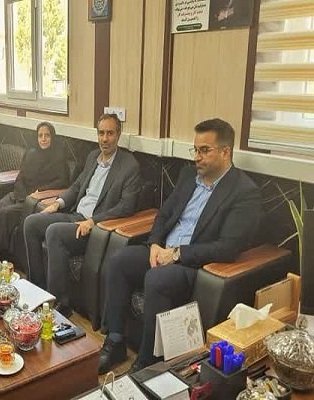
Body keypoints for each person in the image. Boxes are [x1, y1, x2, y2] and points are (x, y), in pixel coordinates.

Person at [98, 118, 261, 375]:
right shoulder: (188, 176)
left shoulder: (243, 192)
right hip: (163, 250)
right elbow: (164, 214)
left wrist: (175, 254)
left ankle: (146, 364)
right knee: (119, 260)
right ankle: (116, 340)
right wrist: (154, 243)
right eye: (195, 150)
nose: (197, 157)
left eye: (204, 150)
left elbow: (227, 247)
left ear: (225, 152)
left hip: (194, 264)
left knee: (157, 279)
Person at [23, 113, 141, 317]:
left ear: (118, 135)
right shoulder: (92, 157)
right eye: (101, 133)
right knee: (31, 223)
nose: (105, 139)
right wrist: (58, 203)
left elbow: (126, 207)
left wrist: (94, 221)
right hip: (75, 215)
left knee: (54, 232)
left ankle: (60, 305)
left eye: (110, 133)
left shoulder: (129, 166)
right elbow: (77, 186)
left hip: (95, 229)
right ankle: (38, 289)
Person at [0, 122, 69, 260]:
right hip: (19, 194)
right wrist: (20, 193)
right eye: (40, 135)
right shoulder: (31, 153)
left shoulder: (58, 158)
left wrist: (39, 191)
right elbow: (21, 176)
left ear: (52, 137)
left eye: (47, 135)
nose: (43, 139)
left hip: (34, 200)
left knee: (3, 214)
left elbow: (63, 181)